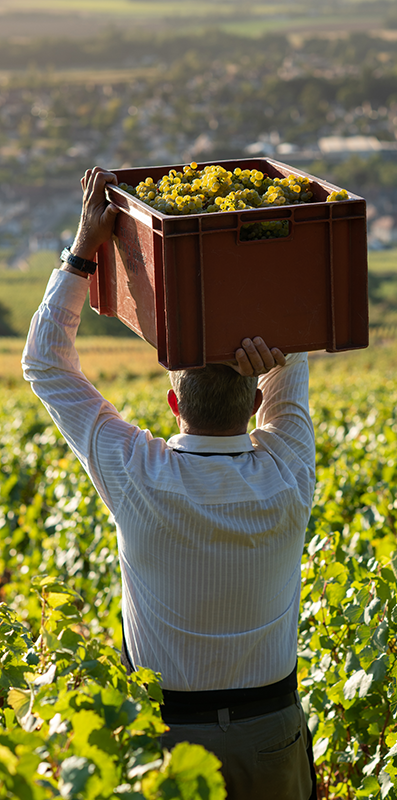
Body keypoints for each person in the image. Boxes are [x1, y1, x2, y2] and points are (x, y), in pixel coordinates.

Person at [22, 166, 317, 800]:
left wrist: (84, 248)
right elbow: (289, 366)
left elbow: (45, 362)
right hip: (273, 737)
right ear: (256, 395)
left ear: (172, 405)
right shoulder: (288, 473)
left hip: (169, 747)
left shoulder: (137, 473)